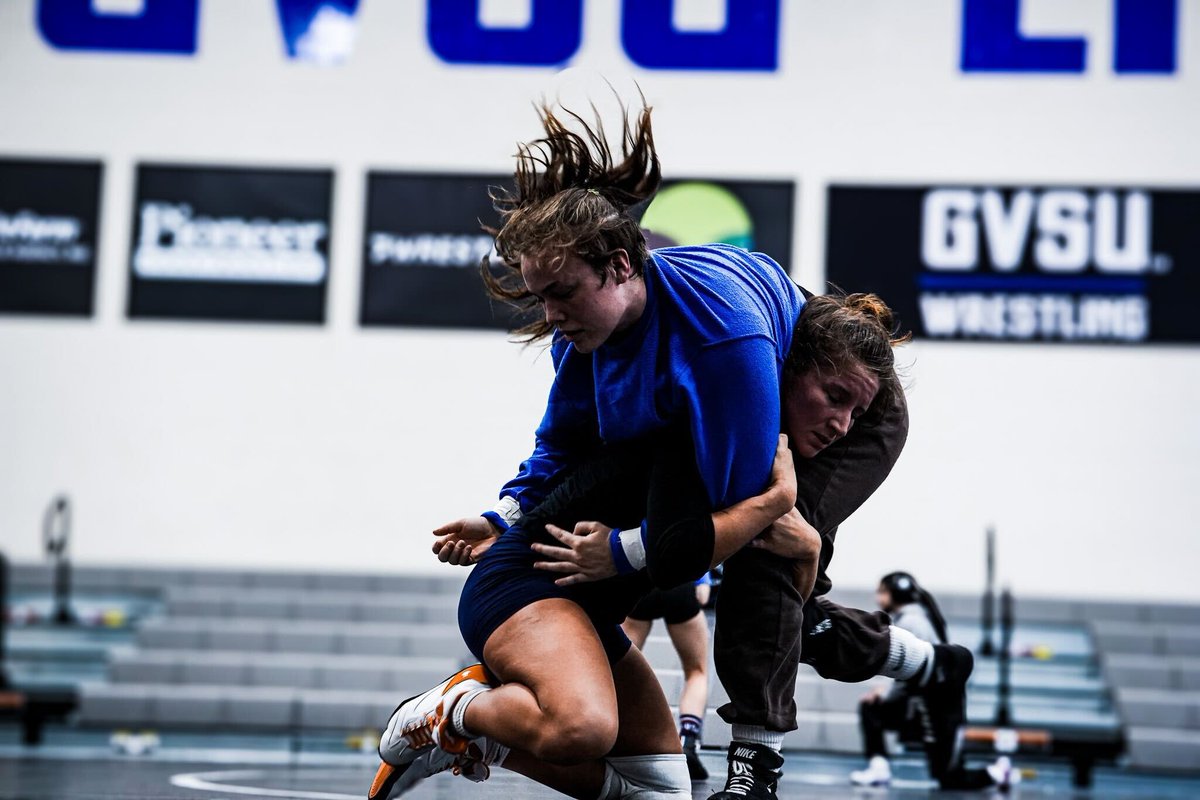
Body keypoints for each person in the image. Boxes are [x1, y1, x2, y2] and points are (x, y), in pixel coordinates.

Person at [374, 98, 972, 800]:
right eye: (539, 299)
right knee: (763, 578)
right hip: (549, 578)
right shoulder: (587, 342)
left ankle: (756, 773)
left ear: (624, 266)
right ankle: (925, 665)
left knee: (765, 562)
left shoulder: (724, 344)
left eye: (561, 293)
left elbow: (733, 513)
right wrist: (507, 513)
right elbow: (563, 446)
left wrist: (773, 524)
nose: (549, 317)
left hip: (837, 372)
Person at [850, 572, 1020, 791]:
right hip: (924, 700)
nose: (877, 598)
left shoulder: (911, 621)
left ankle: (998, 772)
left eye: (881, 591)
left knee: (950, 778)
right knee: (871, 709)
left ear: (895, 593)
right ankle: (879, 767)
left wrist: (884, 694)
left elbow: (911, 669)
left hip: (937, 704)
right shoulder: (911, 618)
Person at [622, 575, 714, 780]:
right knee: (696, 671)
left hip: (643, 580)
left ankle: (620, 738)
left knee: (620, 665)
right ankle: (688, 740)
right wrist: (702, 580)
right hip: (679, 583)